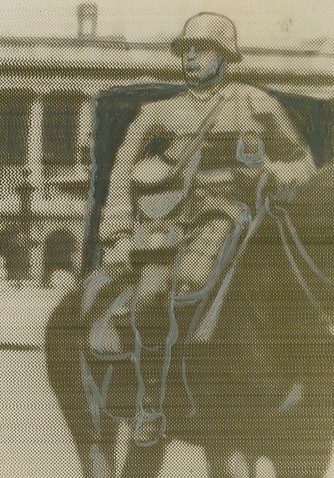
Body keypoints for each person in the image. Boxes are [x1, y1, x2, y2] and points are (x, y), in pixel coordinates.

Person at [82, 12, 315, 446]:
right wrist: (115, 232)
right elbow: (121, 166)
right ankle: (150, 403)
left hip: (233, 216)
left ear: (225, 57)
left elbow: (304, 165)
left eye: (200, 49)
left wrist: (266, 169)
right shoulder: (158, 112)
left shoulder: (256, 104)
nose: (189, 57)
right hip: (167, 225)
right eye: (184, 50)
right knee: (156, 294)